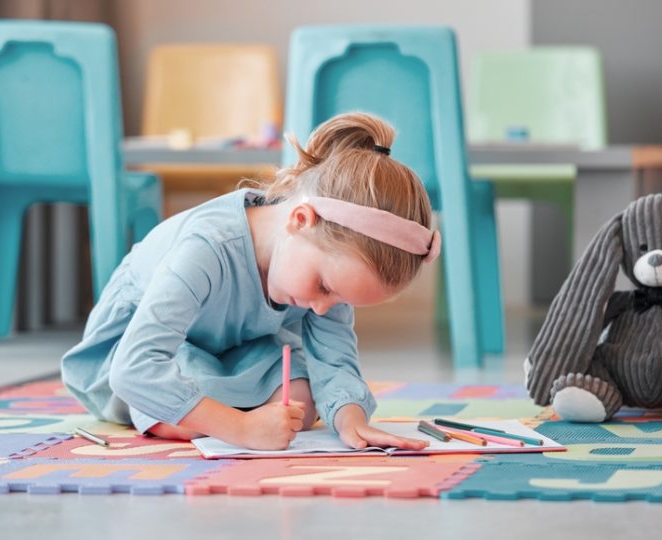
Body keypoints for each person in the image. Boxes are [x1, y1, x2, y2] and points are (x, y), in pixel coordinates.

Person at [61, 112, 440, 451]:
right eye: (324, 288)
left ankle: (221, 409)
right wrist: (240, 428)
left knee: (300, 399)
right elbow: (133, 369)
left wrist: (352, 420)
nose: (324, 307)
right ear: (301, 221)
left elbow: (333, 357)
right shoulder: (206, 247)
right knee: (166, 396)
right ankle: (219, 414)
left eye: (340, 300)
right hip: (140, 352)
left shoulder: (323, 265)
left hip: (235, 349)